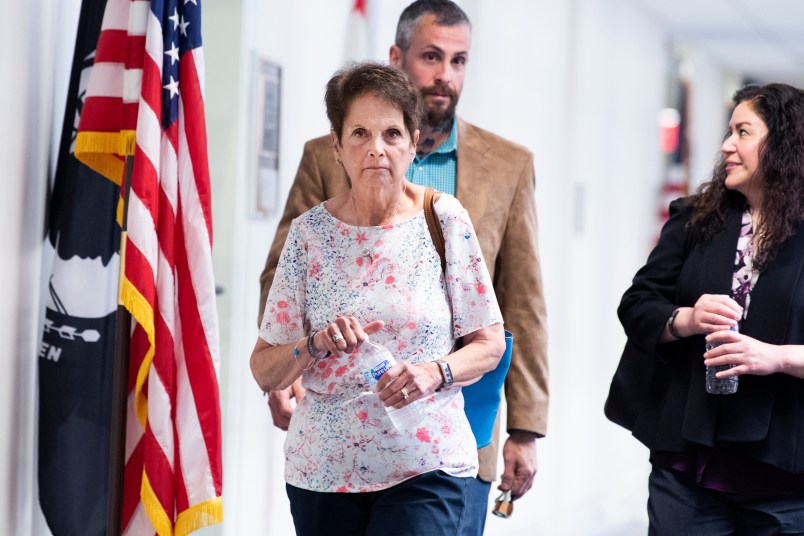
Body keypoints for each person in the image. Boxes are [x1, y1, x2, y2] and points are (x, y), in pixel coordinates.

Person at [258, 2, 549, 530]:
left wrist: (525, 429)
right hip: (331, 445)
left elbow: (521, 305)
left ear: (410, 144)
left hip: (449, 428)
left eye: (459, 61)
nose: (445, 75)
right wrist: (287, 372)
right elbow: (282, 271)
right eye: (432, 56)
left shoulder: (506, 167)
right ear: (397, 58)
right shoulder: (325, 159)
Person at [605, 83, 804, 535]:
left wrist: (776, 357)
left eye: (743, 132)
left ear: (786, 142)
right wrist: (686, 319)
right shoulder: (696, 217)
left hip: (786, 480)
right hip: (687, 464)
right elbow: (638, 305)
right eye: (728, 131)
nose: (726, 146)